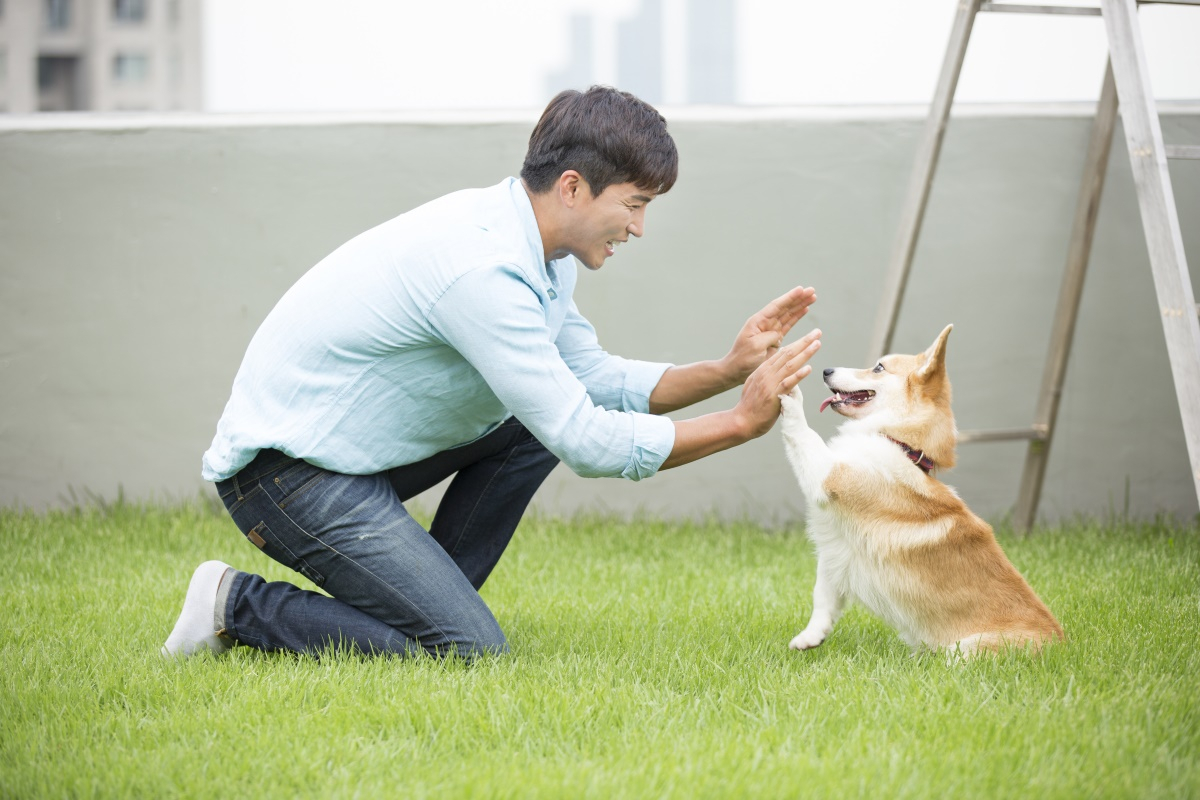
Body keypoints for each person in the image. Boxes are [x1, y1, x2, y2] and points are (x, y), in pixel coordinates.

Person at [162, 85, 821, 661]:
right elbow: (585, 440)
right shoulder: (484, 269)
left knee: (529, 425)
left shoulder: (541, 248)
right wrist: (738, 424)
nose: (640, 227)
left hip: (345, 456)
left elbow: (586, 376)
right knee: (467, 650)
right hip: (285, 477)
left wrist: (729, 368)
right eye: (634, 203)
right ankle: (232, 604)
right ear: (572, 187)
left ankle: (431, 601)